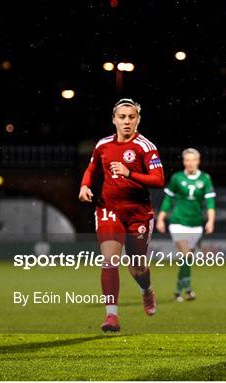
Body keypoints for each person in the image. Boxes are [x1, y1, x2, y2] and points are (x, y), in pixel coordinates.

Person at [79, 98, 165, 332]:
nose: (127, 121)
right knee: (110, 260)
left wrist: (129, 173)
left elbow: (158, 180)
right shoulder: (103, 145)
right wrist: (85, 186)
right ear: (114, 120)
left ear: (138, 120)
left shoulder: (145, 146)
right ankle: (112, 317)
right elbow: (92, 170)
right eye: (122, 117)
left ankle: (146, 290)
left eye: (131, 117)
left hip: (138, 213)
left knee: (137, 267)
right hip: (108, 209)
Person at [156, 148, 216, 301]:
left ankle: (182, 290)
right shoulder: (176, 178)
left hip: (195, 224)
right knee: (186, 255)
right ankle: (182, 290)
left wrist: (210, 220)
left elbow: (210, 202)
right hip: (178, 222)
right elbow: (168, 199)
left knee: (187, 259)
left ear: (198, 161)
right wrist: (161, 218)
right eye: (187, 160)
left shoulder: (205, 178)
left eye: (193, 160)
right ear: (184, 162)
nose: (190, 163)